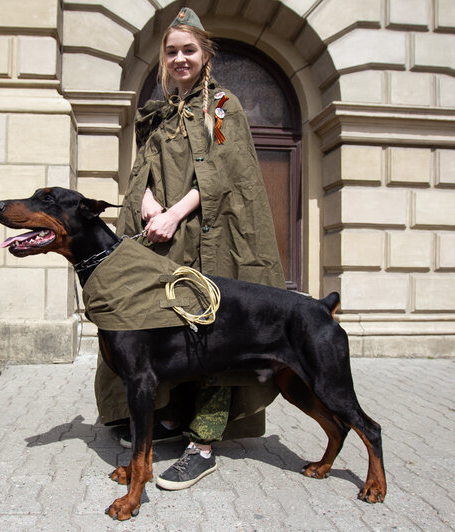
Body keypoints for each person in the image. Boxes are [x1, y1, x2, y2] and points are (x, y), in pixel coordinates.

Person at [94, 7, 286, 490]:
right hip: (161, 238)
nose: (180, 58)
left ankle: (205, 443)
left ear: (206, 54)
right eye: (172, 51)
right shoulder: (158, 112)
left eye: (189, 50)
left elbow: (226, 170)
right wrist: (148, 203)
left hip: (211, 237)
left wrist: (175, 212)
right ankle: (171, 419)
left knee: (214, 333)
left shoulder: (221, 107)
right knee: (162, 329)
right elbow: (141, 170)